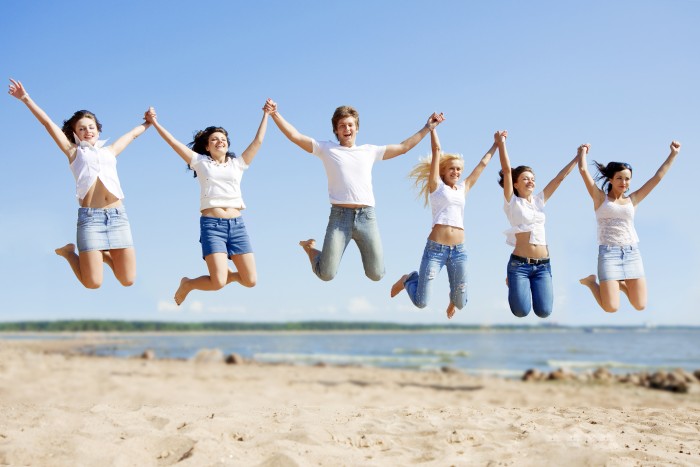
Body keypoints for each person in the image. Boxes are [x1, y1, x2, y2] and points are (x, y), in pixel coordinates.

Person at [264, 99, 444, 282]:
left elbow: (403, 147)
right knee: (326, 273)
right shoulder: (326, 149)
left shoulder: (369, 151)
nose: (347, 129)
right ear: (336, 130)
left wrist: (427, 127)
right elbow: (296, 136)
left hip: (366, 217)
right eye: (342, 125)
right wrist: (275, 114)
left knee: (377, 274)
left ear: (357, 128)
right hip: (339, 218)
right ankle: (309, 248)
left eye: (350, 125)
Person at [8, 78, 150, 289]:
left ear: (98, 130)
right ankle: (68, 253)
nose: (88, 131)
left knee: (127, 280)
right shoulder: (74, 153)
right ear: (75, 133)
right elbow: (48, 124)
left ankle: (101, 254)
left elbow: (132, 135)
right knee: (93, 283)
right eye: (82, 128)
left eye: (91, 126)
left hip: (118, 217)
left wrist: (149, 122)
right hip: (90, 220)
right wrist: (26, 99)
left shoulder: (109, 151)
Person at [144, 101, 270, 305]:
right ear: (207, 146)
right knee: (218, 282)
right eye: (214, 139)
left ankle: (227, 273)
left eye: (223, 139)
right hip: (212, 225)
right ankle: (188, 284)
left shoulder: (237, 164)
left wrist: (266, 115)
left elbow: (258, 141)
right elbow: (174, 143)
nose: (220, 141)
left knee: (250, 280)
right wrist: (155, 123)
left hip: (237, 225)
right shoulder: (200, 162)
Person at [390, 125, 496, 318]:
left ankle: (453, 297)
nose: (456, 172)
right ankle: (408, 279)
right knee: (421, 302)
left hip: (459, 252)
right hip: (435, 250)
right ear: (443, 171)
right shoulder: (436, 187)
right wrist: (432, 129)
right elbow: (436, 150)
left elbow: (482, 165)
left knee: (461, 303)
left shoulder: (464, 187)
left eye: (459, 169)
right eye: (452, 169)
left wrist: (495, 145)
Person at [577, 141, 681, 312]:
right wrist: (582, 153)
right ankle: (590, 282)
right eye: (619, 178)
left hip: (632, 253)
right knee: (611, 307)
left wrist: (673, 154)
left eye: (627, 179)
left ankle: (619, 283)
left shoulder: (633, 200)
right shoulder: (600, 198)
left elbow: (657, 178)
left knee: (640, 305)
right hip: (609, 254)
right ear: (610, 179)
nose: (623, 182)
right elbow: (583, 170)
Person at [495, 130, 578, 318]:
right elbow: (507, 170)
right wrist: (502, 143)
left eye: (532, 179)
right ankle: (514, 281)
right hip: (520, 265)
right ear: (515, 184)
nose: (530, 181)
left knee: (544, 312)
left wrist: (577, 157)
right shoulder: (512, 202)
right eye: (525, 178)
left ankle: (519, 284)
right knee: (521, 311)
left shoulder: (540, 201)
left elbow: (559, 179)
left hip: (543, 266)